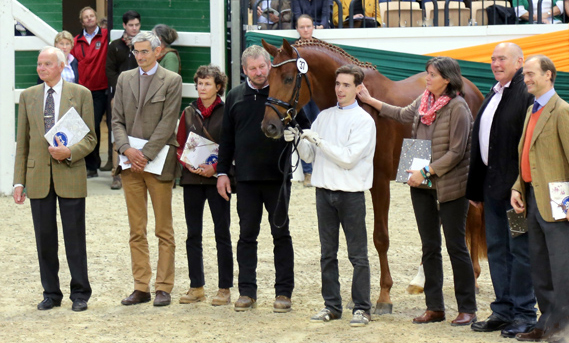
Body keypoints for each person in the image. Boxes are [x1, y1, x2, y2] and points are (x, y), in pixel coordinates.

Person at [358, 56, 477, 326]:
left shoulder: (458, 107)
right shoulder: (425, 101)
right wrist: (369, 99)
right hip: (423, 184)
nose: (427, 78)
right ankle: (435, 307)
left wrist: (426, 171)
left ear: (447, 79)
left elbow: (457, 152)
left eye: (432, 75)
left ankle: (467, 307)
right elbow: (400, 114)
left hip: (449, 184)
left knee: (456, 246)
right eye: (427, 73)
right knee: (429, 247)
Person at [216, 45, 308, 312]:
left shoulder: (284, 93)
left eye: (262, 66)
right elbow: (226, 139)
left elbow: (305, 126)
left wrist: (295, 133)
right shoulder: (234, 97)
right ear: (244, 70)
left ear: (270, 65)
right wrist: (223, 172)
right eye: (253, 68)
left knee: (281, 234)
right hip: (245, 179)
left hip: (278, 178)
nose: (259, 72)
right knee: (247, 236)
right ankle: (247, 291)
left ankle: (284, 292)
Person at [285, 64, 376, 326]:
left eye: (346, 85)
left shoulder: (364, 121)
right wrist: (298, 140)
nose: (340, 89)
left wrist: (318, 140)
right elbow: (311, 156)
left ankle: (362, 308)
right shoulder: (323, 116)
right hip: (324, 192)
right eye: (338, 84)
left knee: (357, 255)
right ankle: (332, 305)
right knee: (327, 253)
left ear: (358, 89)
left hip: (351, 195)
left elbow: (348, 159)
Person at [13, 46, 96, 312]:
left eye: (47, 64)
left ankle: (80, 293)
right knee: (44, 238)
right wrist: (18, 181)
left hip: (70, 173)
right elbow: (22, 142)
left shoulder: (81, 94)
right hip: (37, 177)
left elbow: (91, 138)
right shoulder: (28, 96)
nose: (41, 68)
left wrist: (70, 151)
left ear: (61, 66)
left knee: (75, 238)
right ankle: (51, 292)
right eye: (39, 64)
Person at [467, 43, 537, 338]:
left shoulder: (524, 94)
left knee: (520, 251)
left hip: (516, 192)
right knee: (496, 249)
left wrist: (520, 186)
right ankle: (503, 310)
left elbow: (528, 144)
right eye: (493, 59)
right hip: (492, 189)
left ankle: (524, 313)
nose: (495, 63)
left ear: (519, 62)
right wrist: (476, 188)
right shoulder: (494, 93)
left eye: (502, 59)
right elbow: (483, 142)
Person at [112, 32, 182, 307]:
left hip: (159, 162)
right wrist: (127, 150)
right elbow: (116, 120)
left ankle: (164, 287)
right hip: (130, 164)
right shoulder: (124, 79)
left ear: (158, 51)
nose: (139, 56)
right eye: (136, 52)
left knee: (164, 229)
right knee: (136, 229)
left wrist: (146, 154)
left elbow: (168, 122)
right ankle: (141, 286)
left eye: (144, 51)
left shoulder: (172, 80)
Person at [510, 55, 569, 342]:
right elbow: (527, 155)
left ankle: (563, 327)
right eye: (524, 75)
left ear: (548, 75)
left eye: (531, 74)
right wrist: (518, 188)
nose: (527, 79)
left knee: (561, 267)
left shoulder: (562, 111)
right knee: (540, 266)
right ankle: (546, 324)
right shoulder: (531, 111)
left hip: (559, 202)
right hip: (532, 199)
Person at [176, 65, 233, 306]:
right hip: (191, 180)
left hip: (217, 180)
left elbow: (232, 146)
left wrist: (218, 169)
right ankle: (196, 286)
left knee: (222, 234)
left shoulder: (227, 111)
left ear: (218, 86)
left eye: (207, 83)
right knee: (193, 234)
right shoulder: (187, 112)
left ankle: (224, 288)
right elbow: (179, 144)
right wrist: (186, 162)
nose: (202, 88)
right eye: (199, 83)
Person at [105, 10, 141, 189]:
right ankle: (116, 172)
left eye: (137, 25)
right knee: (116, 133)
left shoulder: (143, 45)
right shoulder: (115, 46)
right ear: (124, 26)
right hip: (119, 96)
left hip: (139, 97)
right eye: (131, 25)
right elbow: (110, 71)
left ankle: (137, 169)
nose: (134, 28)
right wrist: (118, 91)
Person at [71, 6, 109, 179]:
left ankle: (99, 164)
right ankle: (92, 165)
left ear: (96, 17)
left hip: (101, 89)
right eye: (85, 17)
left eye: (91, 16)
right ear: (82, 21)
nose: (89, 19)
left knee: (94, 125)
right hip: (82, 90)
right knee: (85, 127)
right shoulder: (75, 41)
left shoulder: (107, 35)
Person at [295, 14, 321, 187]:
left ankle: (321, 168)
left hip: (318, 95)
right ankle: (308, 172)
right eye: (302, 27)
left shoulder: (320, 48)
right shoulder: (293, 49)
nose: (305, 30)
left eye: (308, 26)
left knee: (320, 128)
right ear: (297, 29)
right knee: (305, 130)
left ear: (313, 27)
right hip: (302, 96)